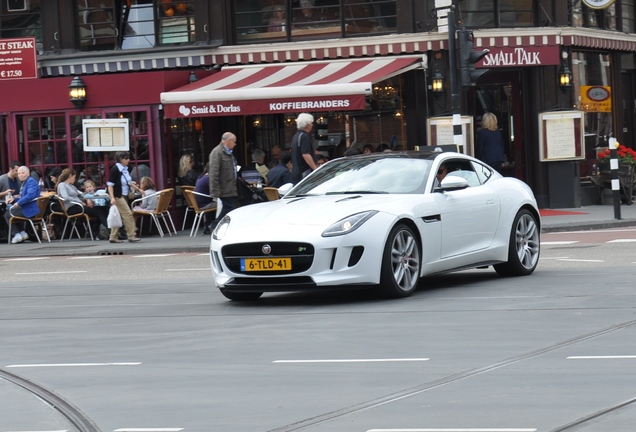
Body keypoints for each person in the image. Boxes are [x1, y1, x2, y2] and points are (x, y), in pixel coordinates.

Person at [55, 168, 110, 239]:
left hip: (78, 206)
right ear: (70, 176)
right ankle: (110, 231)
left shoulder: (72, 186)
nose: (75, 179)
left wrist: (92, 197)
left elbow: (82, 195)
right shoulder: (62, 185)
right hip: (72, 208)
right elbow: (65, 197)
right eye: (74, 177)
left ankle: (96, 231)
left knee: (102, 208)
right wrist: (79, 201)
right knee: (98, 211)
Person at [107, 151, 141, 243]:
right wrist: (112, 197)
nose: (128, 160)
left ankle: (113, 236)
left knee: (117, 215)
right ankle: (131, 235)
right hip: (118, 196)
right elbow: (110, 185)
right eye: (126, 158)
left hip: (124, 195)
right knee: (128, 214)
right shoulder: (115, 169)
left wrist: (139, 189)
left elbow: (129, 182)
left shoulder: (125, 168)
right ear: (121, 159)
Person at [208, 132, 239, 232]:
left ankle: (220, 225)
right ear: (228, 141)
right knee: (230, 207)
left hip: (230, 186)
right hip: (224, 187)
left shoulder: (228, 152)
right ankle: (215, 224)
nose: (235, 144)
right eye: (234, 141)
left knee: (229, 207)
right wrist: (215, 191)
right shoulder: (217, 152)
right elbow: (213, 172)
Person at [5, 166, 40, 244]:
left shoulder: (31, 181)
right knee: (13, 212)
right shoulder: (25, 182)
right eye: (19, 173)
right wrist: (14, 199)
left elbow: (30, 195)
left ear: (28, 174)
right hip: (29, 207)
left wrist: (18, 202)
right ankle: (22, 233)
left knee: (8, 214)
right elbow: (24, 197)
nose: (20, 175)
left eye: (23, 173)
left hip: (31, 209)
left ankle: (17, 234)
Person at [290, 113, 317, 184]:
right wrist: (315, 169)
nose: (312, 125)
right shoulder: (304, 136)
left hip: (296, 172)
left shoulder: (296, 136)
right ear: (307, 124)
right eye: (311, 123)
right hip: (304, 172)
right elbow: (306, 154)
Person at [0, 161, 22, 241]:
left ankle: (20, 233)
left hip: (17, 202)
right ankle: (18, 233)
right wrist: (5, 193)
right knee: (10, 211)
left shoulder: (18, 180)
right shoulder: (2, 179)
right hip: (4, 204)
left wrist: (18, 196)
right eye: (16, 171)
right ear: (11, 169)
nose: (18, 173)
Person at [194, 164, 216, 235]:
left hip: (201, 203)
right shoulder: (208, 179)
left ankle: (207, 226)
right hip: (205, 204)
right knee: (223, 205)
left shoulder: (201, 177)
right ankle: (215, 225)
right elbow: (214, 192)